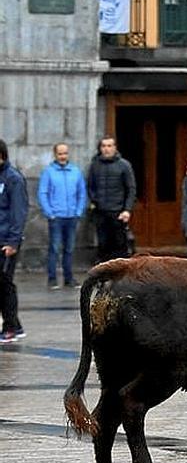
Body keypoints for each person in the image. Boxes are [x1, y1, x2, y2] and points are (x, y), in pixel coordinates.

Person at [38, 142, 87, 289]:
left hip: (71, 216)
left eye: (65, 153)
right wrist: (50, 212)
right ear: (55, 155)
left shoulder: (75, 171)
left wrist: (78, 211)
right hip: (56, 217)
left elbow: (81, 193)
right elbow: (43, 193)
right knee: (54, 248)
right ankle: (52, 279)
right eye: (60, 153)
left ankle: (68, 278)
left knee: (69, 248)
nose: (63, 156)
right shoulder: (49, 172)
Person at [87, 136, 136, 263]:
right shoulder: (95, 165)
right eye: (104, 146)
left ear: (115, 148)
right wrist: (94, 201)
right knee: (103, 245)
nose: (106, 149)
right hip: (100, 212)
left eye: (109, 146)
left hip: (118, 212)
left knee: (120, 247)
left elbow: (131, 189)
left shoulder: (124, 165)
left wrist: (127, 210)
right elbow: (90, 186)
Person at [0, 139, 28, 343]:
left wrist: (13, 241)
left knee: (5, 284)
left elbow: (18, 213)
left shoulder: (13, 179)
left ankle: (10, 327)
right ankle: (15, 324)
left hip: (7, 240)